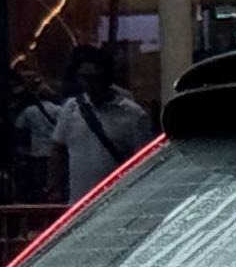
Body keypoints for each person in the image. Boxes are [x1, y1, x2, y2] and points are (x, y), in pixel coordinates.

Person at [39, 49, 155, 198]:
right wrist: (54, 187)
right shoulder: (71, 108)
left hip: (118, 199)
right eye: (83, 78)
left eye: (93, 79)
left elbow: (145, 161)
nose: (88, 85)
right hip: (80, 200)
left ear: (107, 79)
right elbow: (58, 150)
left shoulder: (134, 115)